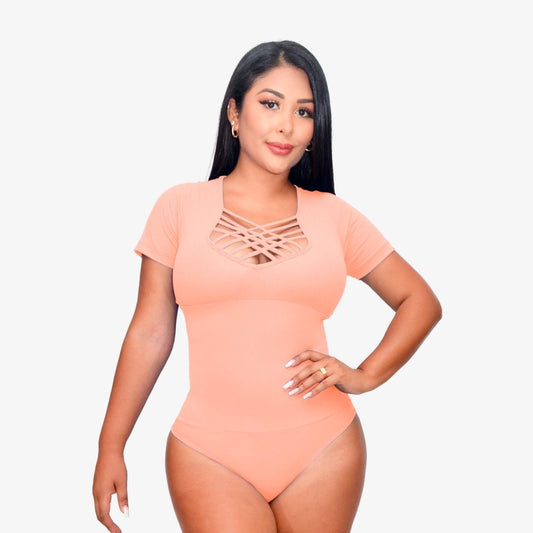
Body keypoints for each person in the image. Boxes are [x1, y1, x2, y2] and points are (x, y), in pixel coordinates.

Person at [92, 40, 442, 533]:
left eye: (304, 111)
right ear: (234, 113)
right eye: (270, 104)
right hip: (208, 451)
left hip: (324, 446)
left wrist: (365, 375)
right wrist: (111, 445)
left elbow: (420, 301)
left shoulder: (335, 217)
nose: (286, 126)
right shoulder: (179, 207)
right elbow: (150, 332)